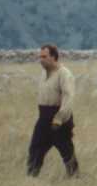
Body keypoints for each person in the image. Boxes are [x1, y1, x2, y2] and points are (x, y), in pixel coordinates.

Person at [27, 44, 79, 177]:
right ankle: (31, 179)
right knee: (35, 149)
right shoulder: (44, 73)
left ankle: (75, 178)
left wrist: (59, 119)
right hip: (43, 117)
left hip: (58, 119)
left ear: (54, 57)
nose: (41, 60)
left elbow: (68, 97)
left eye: (44, 57)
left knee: (66, 151)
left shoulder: (64, 74)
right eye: (40, 57)